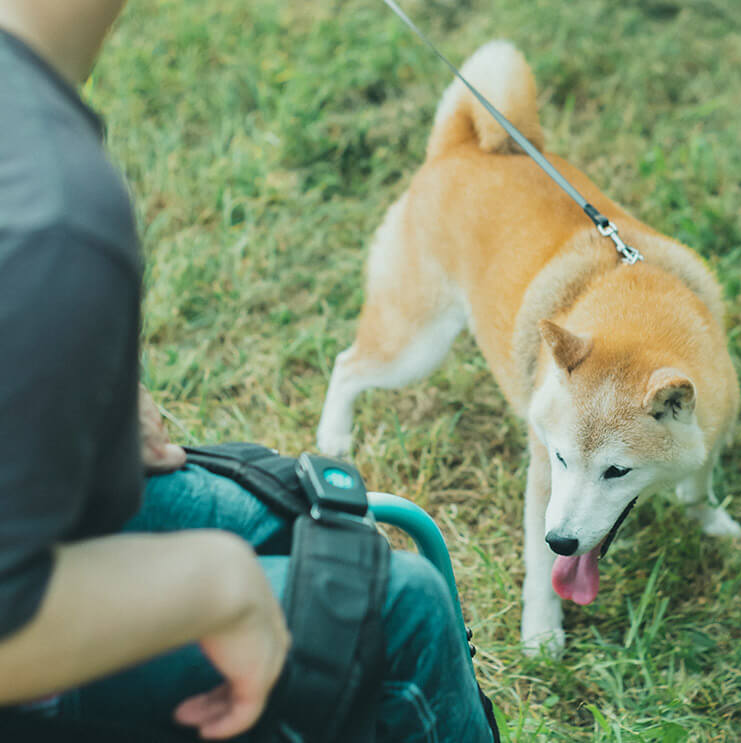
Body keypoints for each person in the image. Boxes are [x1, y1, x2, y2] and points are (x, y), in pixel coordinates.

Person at [0, 1, 495, 741]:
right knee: (395, 612)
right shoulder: (58, 214)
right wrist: (216, 588)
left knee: (309, 528)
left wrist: (74, 365)